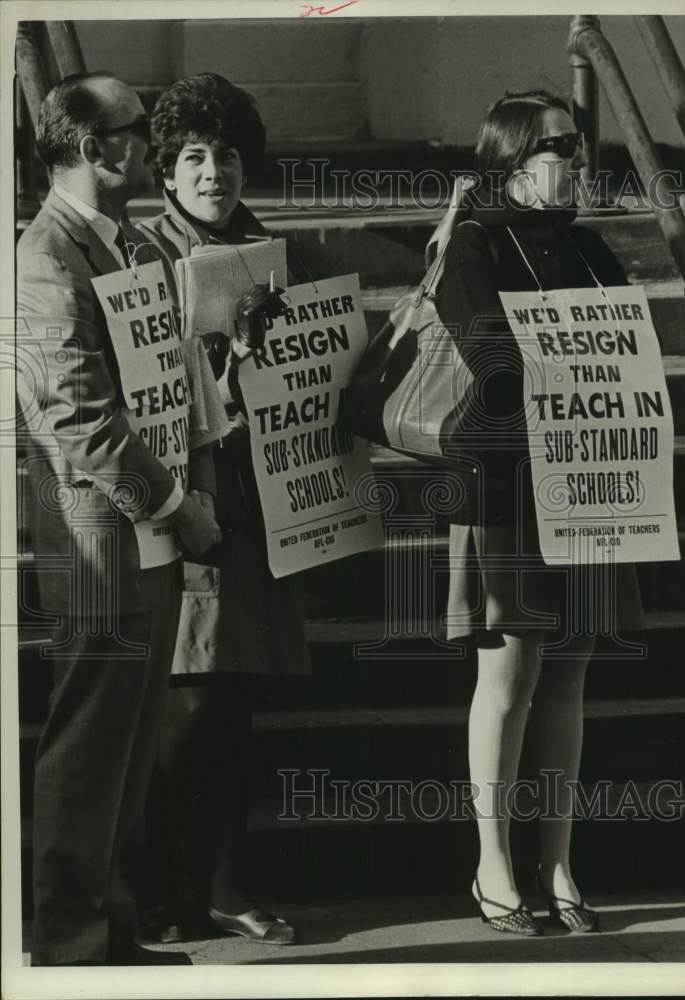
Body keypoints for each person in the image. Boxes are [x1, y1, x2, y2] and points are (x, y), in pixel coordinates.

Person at [16, 71, 222, 965]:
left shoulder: (132, 247)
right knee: (90, 744)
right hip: (99, 537)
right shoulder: (41, 259)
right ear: (97, 149)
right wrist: (179, 505)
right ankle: (68, 941)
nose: (149, 145)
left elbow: (167, 381)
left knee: (131, 746)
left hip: (155, 528)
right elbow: (78, 418)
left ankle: (116, 925)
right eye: (139, 133)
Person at [435, 90, 645, 935]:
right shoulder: (475, 247)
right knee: (511, 675)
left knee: (571, 671)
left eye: (579, 144)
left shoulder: (591, 250)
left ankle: (556, 860)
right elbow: (491, 357)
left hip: (589, 479)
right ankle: (492, 866)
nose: (577, 158)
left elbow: (628, 355)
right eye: (558, 144)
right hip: (506, 484)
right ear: (511, 161)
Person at [137, 73, 309, 946]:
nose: (214, 173)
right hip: (182, 495)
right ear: (166, 173)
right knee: (187, 704)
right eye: (195, 158)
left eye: (228, 155)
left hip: (258, 496)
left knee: (237, 699)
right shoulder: (140, 257)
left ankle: (227, 882)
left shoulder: (268, 250)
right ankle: (166, 890)